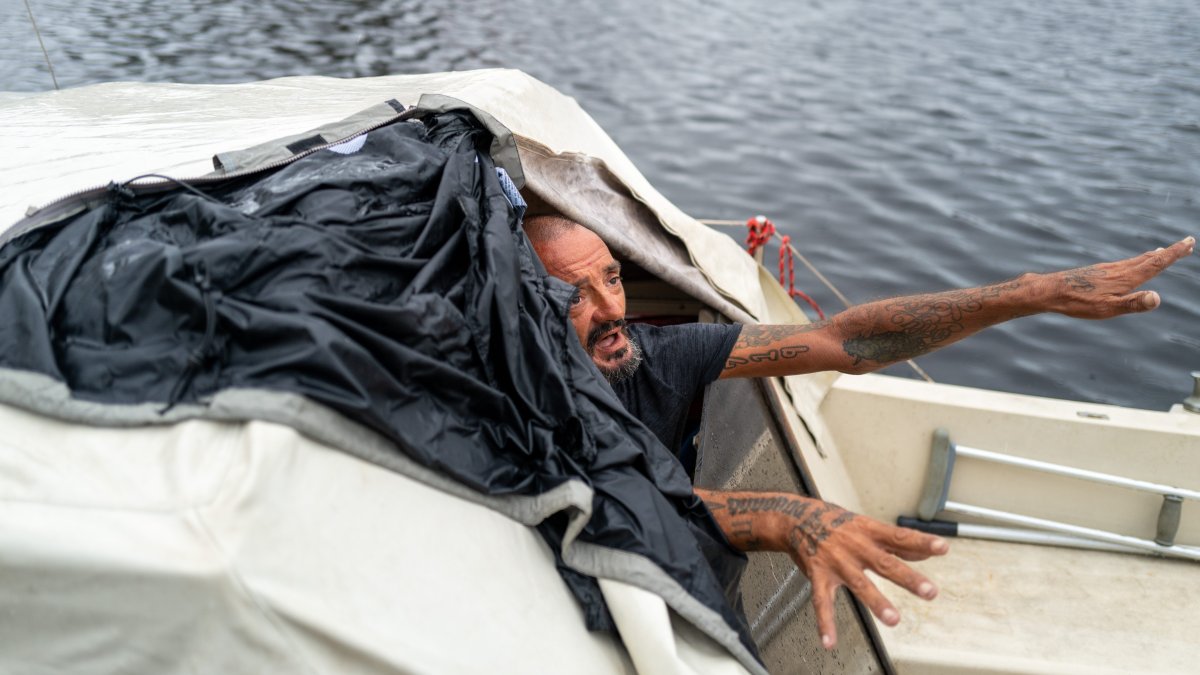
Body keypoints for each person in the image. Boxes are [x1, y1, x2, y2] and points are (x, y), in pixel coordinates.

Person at [523, 213, 1195, 650]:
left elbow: (842, 339)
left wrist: (1028, 295)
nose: (612, 308)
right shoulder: (516, 395)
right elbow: (601, 489)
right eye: (576, 293)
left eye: (612, 276)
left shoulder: (659, 355)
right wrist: (784, 515)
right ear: (527, 306)